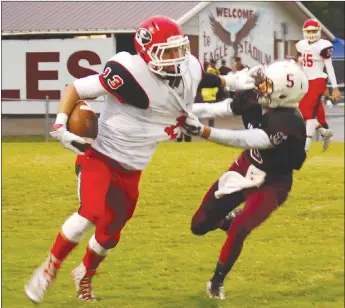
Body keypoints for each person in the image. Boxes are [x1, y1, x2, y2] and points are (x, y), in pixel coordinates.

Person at [24, 15, 256, 303]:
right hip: (102, 155)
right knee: (91, 212)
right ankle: (49, 269)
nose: (177, 58)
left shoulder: (188, 67)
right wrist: (59, 125)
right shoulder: (129, 74)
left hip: (132, 169)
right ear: (147, 52)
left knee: (110, 235)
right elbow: (76, 88)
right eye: (168, 52)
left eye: (179, 49)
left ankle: (85, 273)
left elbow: (200, 80)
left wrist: (229, 79)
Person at [182, 60, 308, 300]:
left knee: (241, 228)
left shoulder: (289, 122)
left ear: (282, 93)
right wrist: (186, 112)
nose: (260, 87)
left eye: (267, 85)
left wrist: (203, 132)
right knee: (198, 226)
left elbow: (246, 139)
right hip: (245, 167)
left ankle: (216, 282)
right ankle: (224, 222)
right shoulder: (256, 97)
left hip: (273, 182)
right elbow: (224, 108)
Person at [296, 18, 341, 151]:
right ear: (304, 32)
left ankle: (305, 146)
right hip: (305, 81)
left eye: (314, 31)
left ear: (319, 31)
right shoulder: (301, 44)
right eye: (309, 31)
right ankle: (326, 132)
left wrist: (335, 88)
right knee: (318, 114)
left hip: (317, 81)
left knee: (306, 114)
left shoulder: (323, 45)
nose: (311, 33)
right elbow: (301, 60)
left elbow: (329, 67)